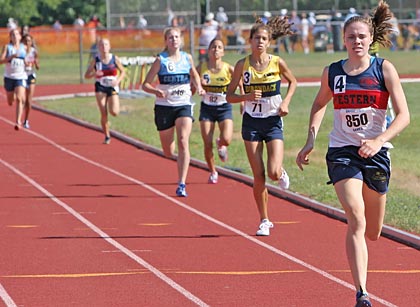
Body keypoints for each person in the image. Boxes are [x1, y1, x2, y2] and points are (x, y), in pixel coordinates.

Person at [295, 2, 410, 306]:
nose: (356, 42)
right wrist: (310, 140)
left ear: (370, 39)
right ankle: (362, 293)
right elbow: (320, 104)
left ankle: (363, 280)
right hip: (342, 152)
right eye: (351, 37)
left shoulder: (383, 68)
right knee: (356, 219)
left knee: (373, 231)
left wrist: (379, 139)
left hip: (377, 154)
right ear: (342, 39)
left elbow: (404, 115)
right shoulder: (332, 72)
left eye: (361, 36)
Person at [226, 16, 297, 236]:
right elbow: (229, 96)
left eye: (264, 38)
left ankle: (281, 171)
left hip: (273, 121)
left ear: (269, 42)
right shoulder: (242, 65)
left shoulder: (277, 62)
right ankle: (264, 219)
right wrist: (245, 96)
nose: (260, 42)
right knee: (259, 175)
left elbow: (293, 82)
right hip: (252, 124)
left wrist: (285, 102)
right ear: (250, 41)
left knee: (274, 172)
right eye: (256, 38)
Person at [142, 27, 205, 197]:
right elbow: (145, 84)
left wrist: (198, 86)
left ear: (181, 40)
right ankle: (174, 156)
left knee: (183, 140)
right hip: (164, 107)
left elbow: (195, 74)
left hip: (183, 104)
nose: (174, 40)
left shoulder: (187, 58)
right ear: (166, 41)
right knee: (168, 151)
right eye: (170, 37)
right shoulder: (160, 60)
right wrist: (156, 92)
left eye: (176, 37)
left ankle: (182, 183)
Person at [196, 37, 241, 184]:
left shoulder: (228, 68)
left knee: (227, 139)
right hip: (207, 108)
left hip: (224, 107)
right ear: (209, 51)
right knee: (207, 143)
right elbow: (192, 82)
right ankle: (213, 171)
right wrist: (199, 87)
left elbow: (240, 82)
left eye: (219, 47)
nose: (216, 50)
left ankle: (221, 143)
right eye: (213, 47)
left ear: (223, 52)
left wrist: (241, 102)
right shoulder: (202, 67)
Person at [84, 38, 126, 144]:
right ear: (99, 47)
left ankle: (109, 117)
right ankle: (107, 136)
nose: (104, 47)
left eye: (106, 45)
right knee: (103, 112)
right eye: (102, 45)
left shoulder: (114, 59)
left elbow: (123, 72)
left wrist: (118, 81)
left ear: (109, 46)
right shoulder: (96, 60)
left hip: (112, 86)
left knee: (114, 112)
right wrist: (94, 74)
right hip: (100, 87)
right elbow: (86, 75)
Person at [0, 29, 27, 130]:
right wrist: (10, 57)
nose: (15, 36)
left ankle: (18, 121)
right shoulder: (7, 47)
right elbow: (1, 61)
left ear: (20, 36)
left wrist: (28, 63)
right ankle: (13, 95)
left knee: (20, 99)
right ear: (10, 37)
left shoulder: (24, 47)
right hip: (9, 77)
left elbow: (28, 59)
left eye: (16, 34)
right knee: (10, 101)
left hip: (20, 77)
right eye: (12, 35)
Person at [22, 34, 40, 129]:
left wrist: (36, 63)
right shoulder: (20, 51)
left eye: (29, 41)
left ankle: (26, 120)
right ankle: (19, 116)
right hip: (21, 76)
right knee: (22, 99)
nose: (27, 43)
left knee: (29, 100)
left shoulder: (34, 52)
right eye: (25, 41)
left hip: (31, 75)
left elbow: (38, 66)